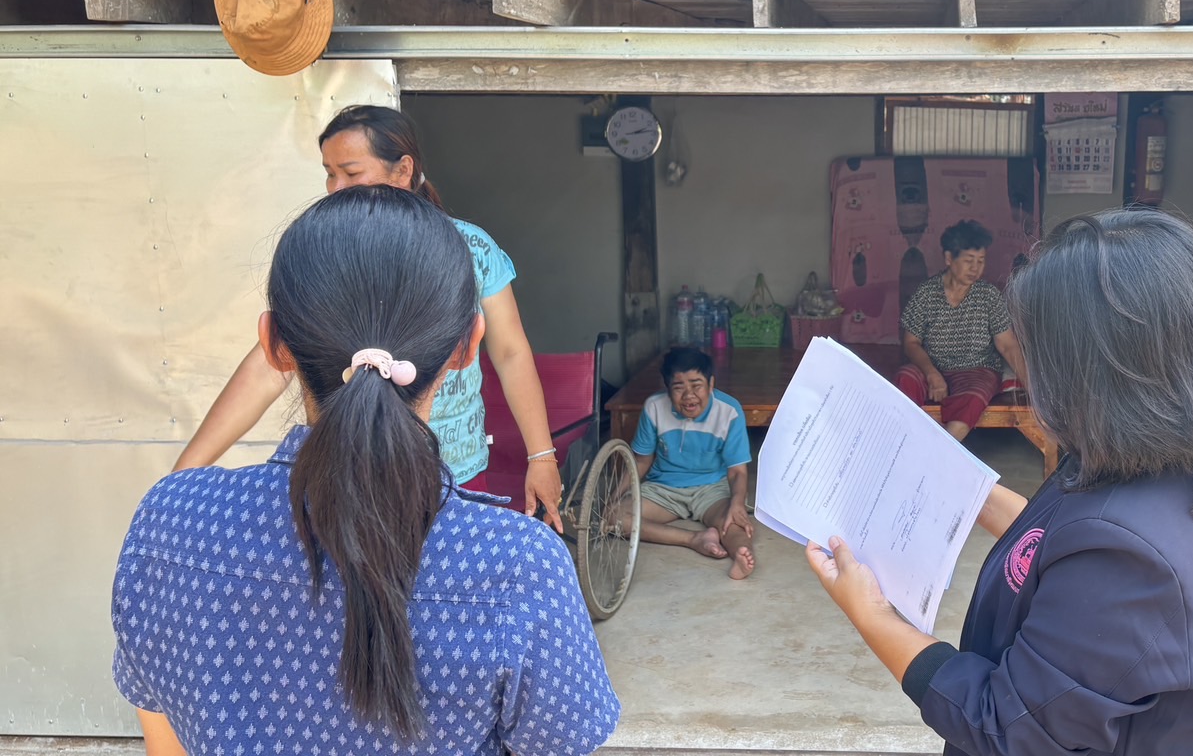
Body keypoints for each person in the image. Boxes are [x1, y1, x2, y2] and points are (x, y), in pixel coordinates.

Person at [111, 185, 619, 756]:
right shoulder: (521, 569)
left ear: (273, 344)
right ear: (466, 347)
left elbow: (165, 744)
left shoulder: (168, 524)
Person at [809, 208, 1193, 756]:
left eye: (1036, 349)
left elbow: (1005, 725)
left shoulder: (1130, 559)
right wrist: (961, 488)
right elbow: (1059, 536)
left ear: (1096, 368)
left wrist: (872, 614)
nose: (1030, 373)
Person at [174, 105, 566, 530]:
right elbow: (269, 369)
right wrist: (182, 475)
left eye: (350, 172)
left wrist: (541, 456)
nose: (335, 188)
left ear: (403, 171)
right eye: (329, 173)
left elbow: (510, 352)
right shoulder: (326, 254)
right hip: (342, 474)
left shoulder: (469, 249)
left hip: (454, 474)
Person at [629, 347, 757, 579]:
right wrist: (616, 494)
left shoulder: (729, 411)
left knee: (733, 522)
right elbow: (642, 461)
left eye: (697, 386)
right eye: (679, 388)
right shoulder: (654, 407)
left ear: (711, 384)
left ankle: (740, 554)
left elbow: (737, 471)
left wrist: (737, 503)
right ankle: (694, 539)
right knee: (614, 517)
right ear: (667, 388)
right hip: (664, 488)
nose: (689, 396)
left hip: (711, 489)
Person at [894, 219, 1028, 441]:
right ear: (949, 258)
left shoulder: (988, 296)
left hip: (977, 370)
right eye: (968, 261)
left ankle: (939, 453)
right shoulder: (926, 293)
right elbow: (910, 342)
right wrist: (931, 373)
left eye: (980, 261)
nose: (975, 268)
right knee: (906, 377)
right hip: (933, 366)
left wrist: (1034, 389)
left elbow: (1007, 345)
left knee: (974, 396)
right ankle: (904, 443)